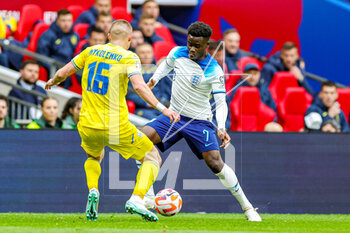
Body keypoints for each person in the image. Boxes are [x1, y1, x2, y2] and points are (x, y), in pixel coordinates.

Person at [45, 19, 179, 222]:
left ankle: (93, 190)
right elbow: (140, 87)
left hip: (88, 124)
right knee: (153, 157)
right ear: (129, 39)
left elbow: (63, 72)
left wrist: (53, 81)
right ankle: (136, 198)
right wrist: (163, 108)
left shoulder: (90, 51)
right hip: (116, 126)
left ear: (108, 37)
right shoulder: (129, 57)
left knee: (93, 157)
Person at [144, 21, 262, 221]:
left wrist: (222, 127)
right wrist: (154, 79)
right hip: (173, 115)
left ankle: (248, 208)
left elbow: (221, 102)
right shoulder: (177, 52)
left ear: (206, 45)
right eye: (189, 43)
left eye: (196, 45)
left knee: (215, 163)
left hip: (199, 121)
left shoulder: (214, 71)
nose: (191, 48)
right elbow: (166, 64)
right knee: (141, 139)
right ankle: (147, 197)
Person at [36, 9, 79, 88]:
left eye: (69, 20)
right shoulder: (48, 35)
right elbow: (42, 57)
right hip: (54, 68)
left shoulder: (75, 35)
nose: (66, 24)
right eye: (63, 20)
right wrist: (57, 70)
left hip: (69, 67)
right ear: (57, 21)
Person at [126, 43, 160, 119]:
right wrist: (146, 103)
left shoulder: (159, 71)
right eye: (142, 53)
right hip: (141, 108)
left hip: (160, 107)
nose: (146, 55)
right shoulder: (132, 72)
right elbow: (128, 94)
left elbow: (165, 91)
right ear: (136, 55)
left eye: (148, 52)